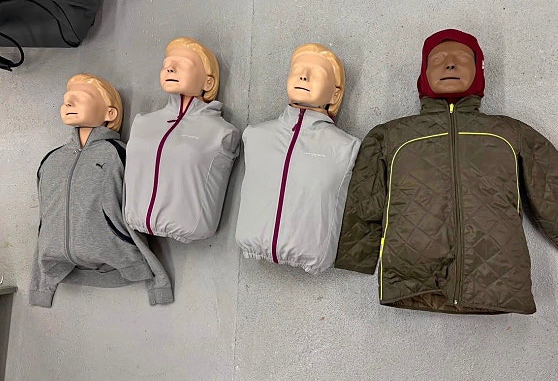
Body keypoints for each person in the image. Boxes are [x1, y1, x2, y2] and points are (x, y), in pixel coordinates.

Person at [335, 29, 558, 314]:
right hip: (414, 280)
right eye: (437, 60)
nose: (450, 64)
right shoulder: (390, 136)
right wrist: (357, 256)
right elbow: (364, 198)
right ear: (423, 75)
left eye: (462, 59)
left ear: (479, 73)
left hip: (497, 279)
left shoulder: (509, 133)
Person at [30, 73, 173, 307]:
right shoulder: (51, 160)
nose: (68, 103)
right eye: (66, 99)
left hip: (121, 269)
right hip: (61, 272)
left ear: (110, 113)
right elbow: (45, 222)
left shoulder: (119, 154)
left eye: (80, 97)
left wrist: (158, 284)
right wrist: (40, 289)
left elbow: (139, 215)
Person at [235, 43, 360, 274]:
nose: (303, 76)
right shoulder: (255, 134)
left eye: (316, 73)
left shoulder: (346, 147)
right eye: (297, 70)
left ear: (335, 94)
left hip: (313, 257)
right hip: (250, 246)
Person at [124, 37, 240, 243]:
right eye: (166, 64)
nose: (170, 69)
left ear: (208, 82)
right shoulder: (142, 122)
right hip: (135, 223)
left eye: (182, 64)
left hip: (191, 228)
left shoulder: (220, 132)